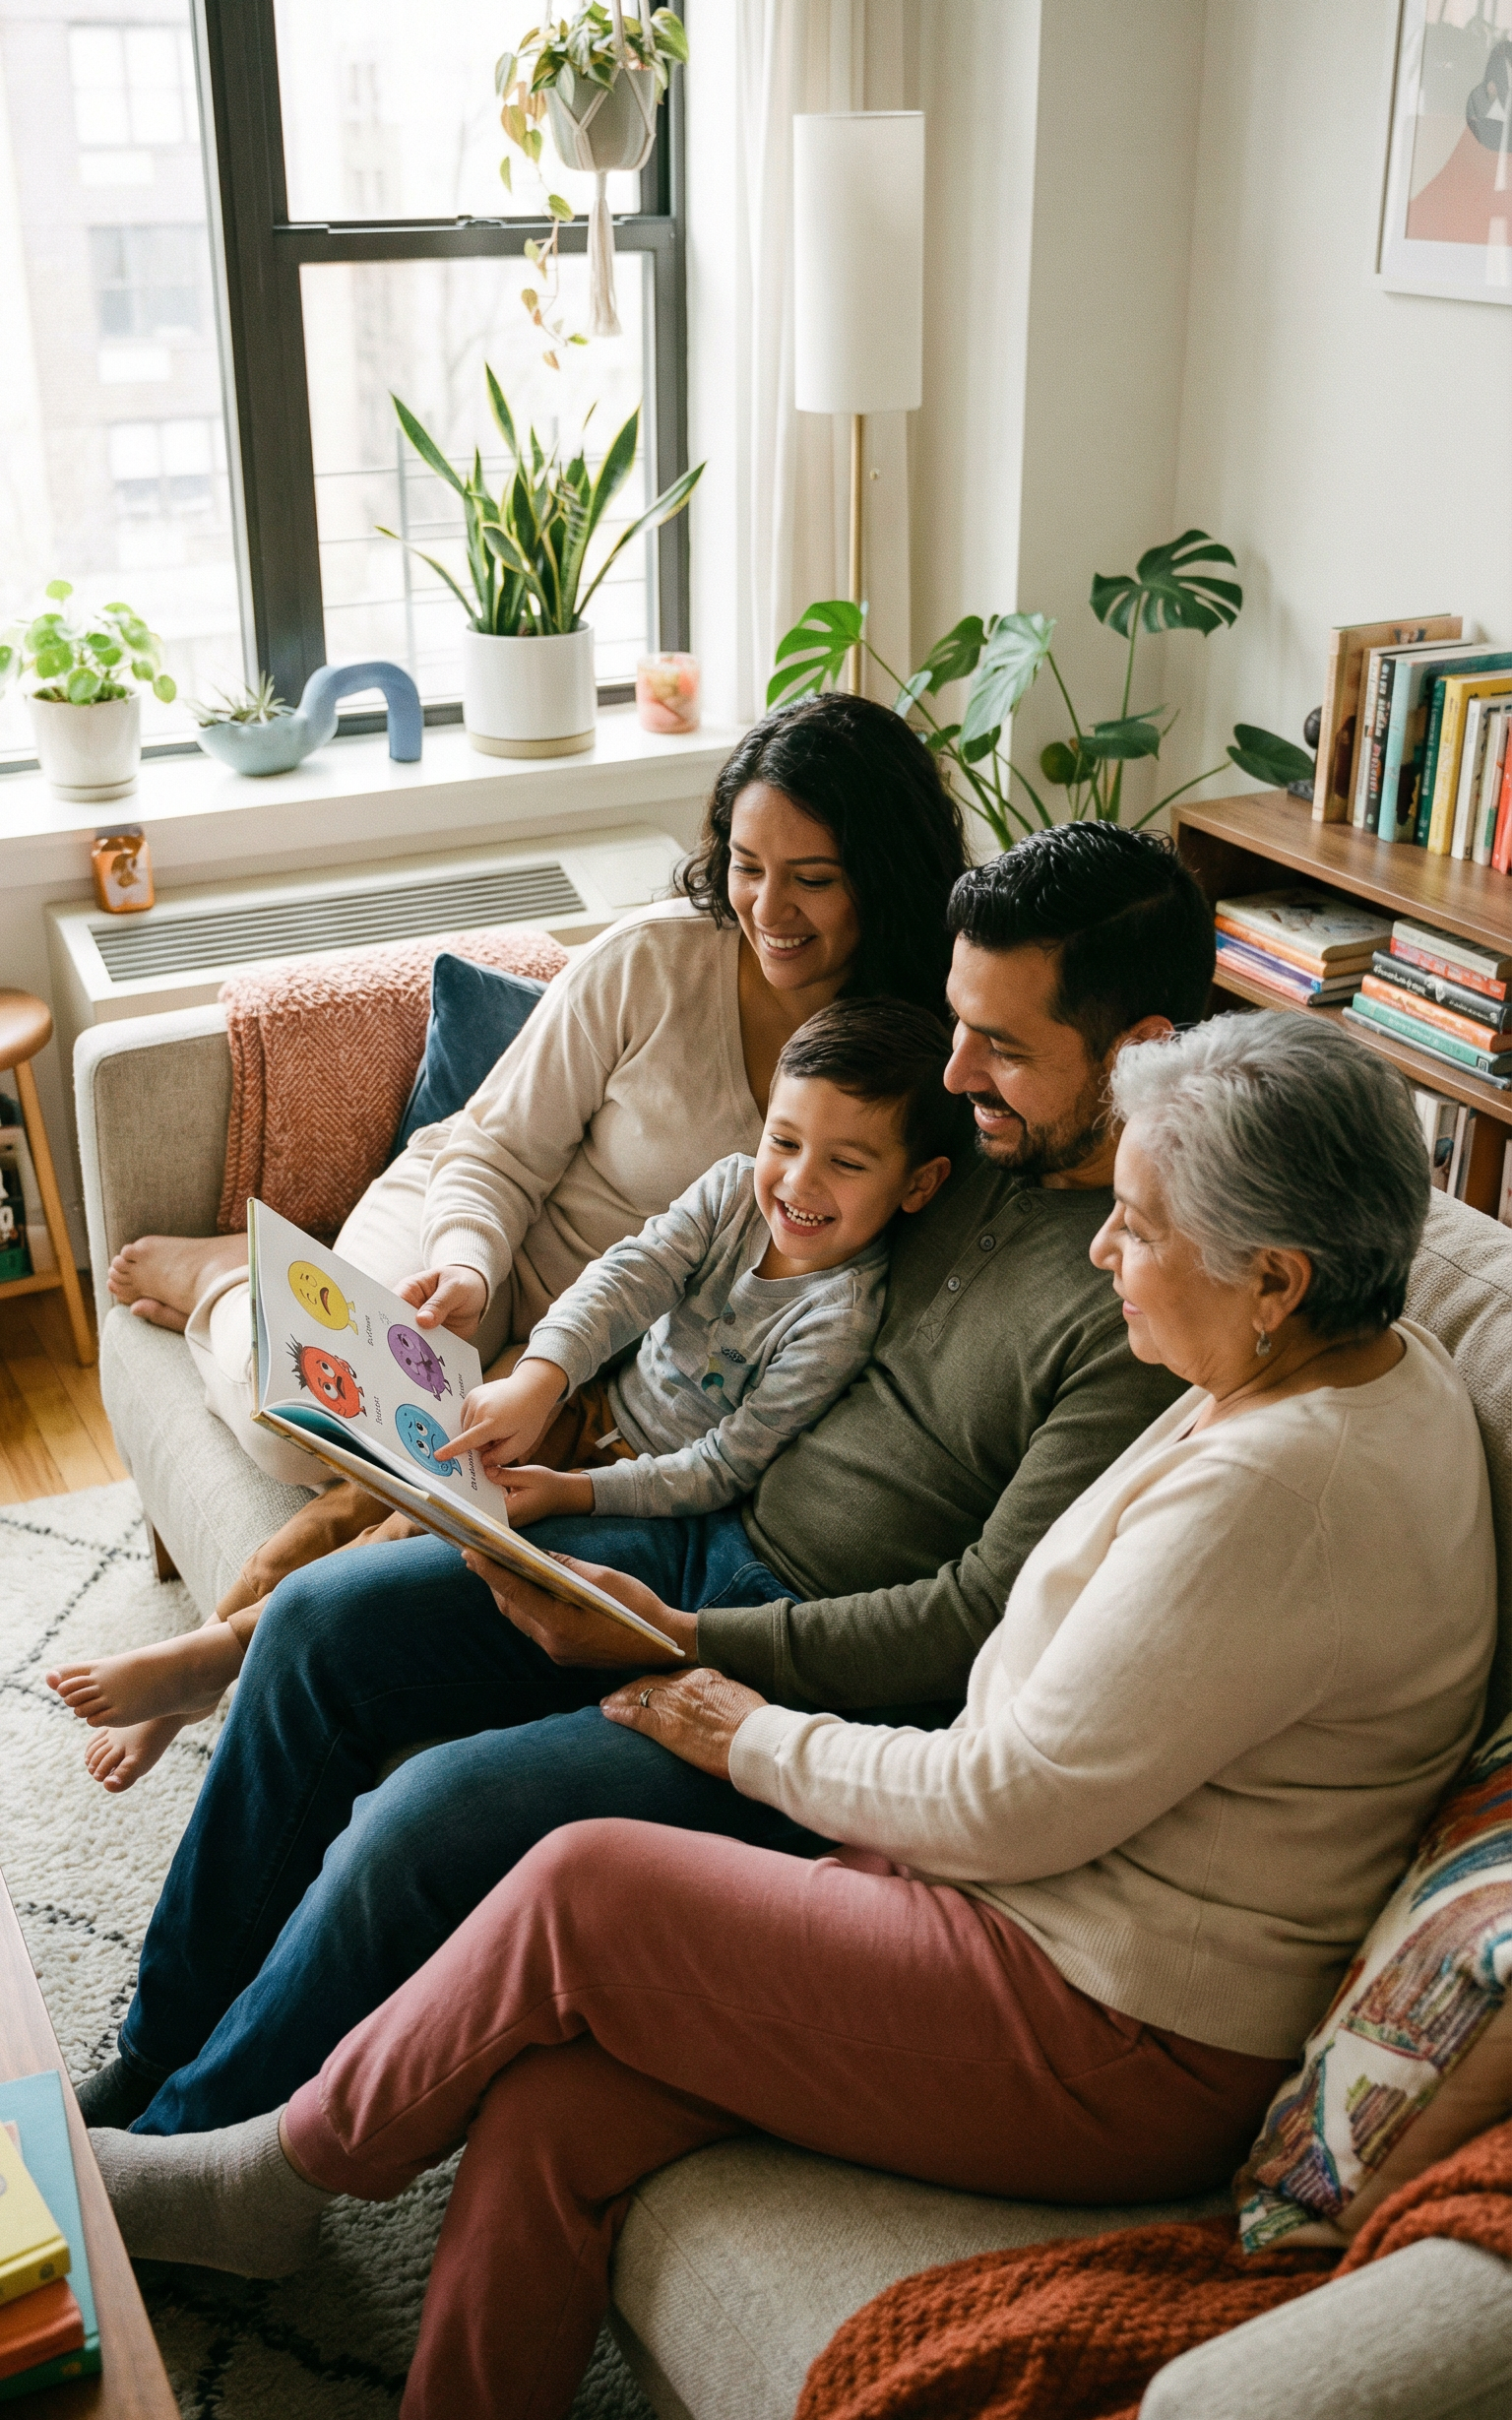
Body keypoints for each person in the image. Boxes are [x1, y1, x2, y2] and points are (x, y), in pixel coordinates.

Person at [92, 1007, 1496, 2420]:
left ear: (1275, 1278)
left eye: (1138, 1230)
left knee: (582, 1885)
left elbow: (1006, 1799)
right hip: (1033, 1922)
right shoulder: (1305, 1374)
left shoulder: (1291, 1492)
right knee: (558, 2104)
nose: (1100, 1250)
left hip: (1113, 2025)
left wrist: (740, 1723)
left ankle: (271, 2176)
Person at [79, 822, 1214, 2139]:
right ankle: (153, 2053)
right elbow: (731, 1215)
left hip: (804, 1679)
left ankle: (187, 2147)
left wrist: (684, 1643)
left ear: (1136, 1056)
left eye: (1001, 1047)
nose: (956, 1070)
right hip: (688, 1535)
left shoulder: (1147, 1295)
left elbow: (970, 1622)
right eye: (959, 1027)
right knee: (318, 1628)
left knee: (431, 1815)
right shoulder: (956, 1141)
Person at [82, 693, 970, 1788]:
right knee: (301, 1435)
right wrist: (464, 1267)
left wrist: (556, 1389)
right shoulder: (655, 959)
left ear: (882, 871)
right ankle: (228, 1277)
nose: (767, 908)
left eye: (814, 878)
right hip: (482, 1231)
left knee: (416, 1470)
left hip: (605, 1351)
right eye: (746, 864)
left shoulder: (908, 1057)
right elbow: (496, 1149)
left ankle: (213, 1650)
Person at [52, 1001, 957, 1730]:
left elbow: (725, 1467)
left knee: (409, 1532)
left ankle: (217, 1657)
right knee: (350, 1496)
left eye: (846, 1163)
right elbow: (627, 1278)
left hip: (618, 1479)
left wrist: (573, 1494)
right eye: (785, 1142)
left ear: (919, 1185)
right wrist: (542, 1375)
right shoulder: (731, 1188)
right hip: (574, 1393)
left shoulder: (841, 1315)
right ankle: (201, 1666)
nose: (798, 1183)